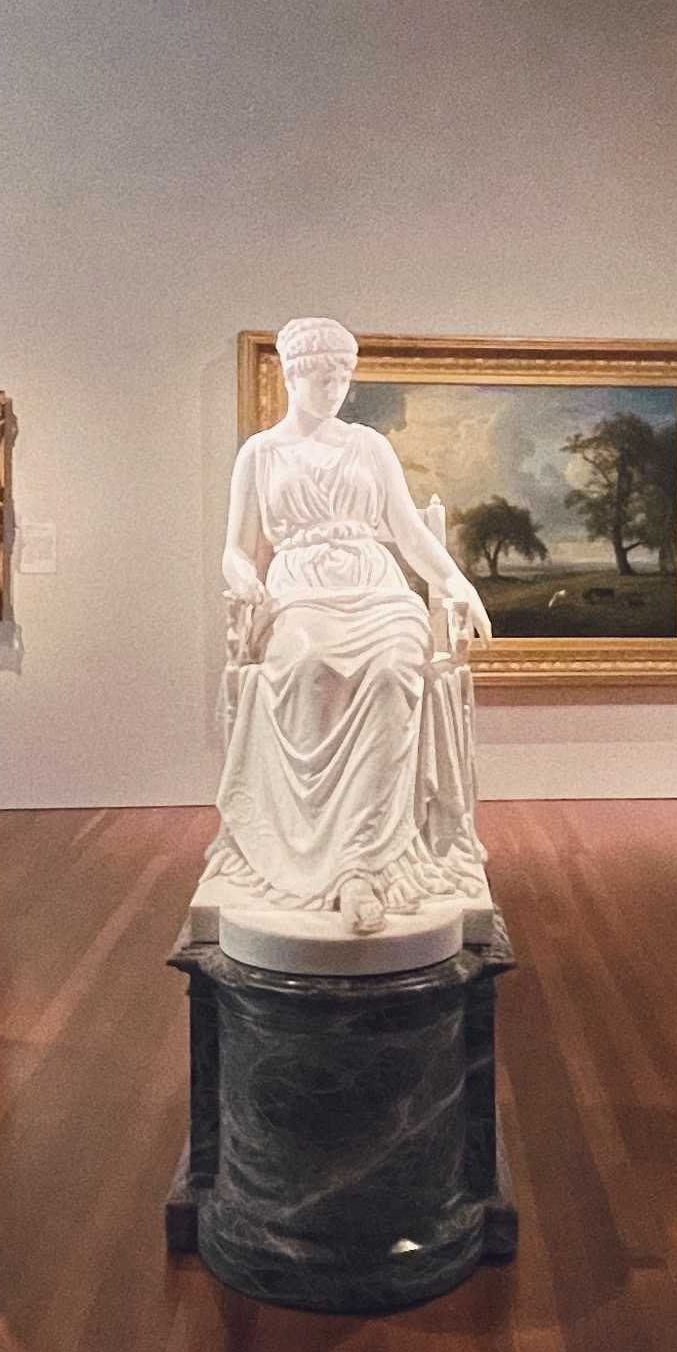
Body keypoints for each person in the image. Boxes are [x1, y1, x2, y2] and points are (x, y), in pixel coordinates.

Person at [198, 318, 493, 935]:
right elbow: (235, 547)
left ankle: (361, 864)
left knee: (393, 671)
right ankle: (304, 848)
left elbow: (409, 533)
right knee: (303, 665)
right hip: (299, 588)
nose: (334, 390)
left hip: (375, 588)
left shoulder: (369, 446)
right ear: (291, 374)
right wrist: (245, 578)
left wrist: (456, 583)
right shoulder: (261, 453)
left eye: (342, 378)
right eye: (321, 377)